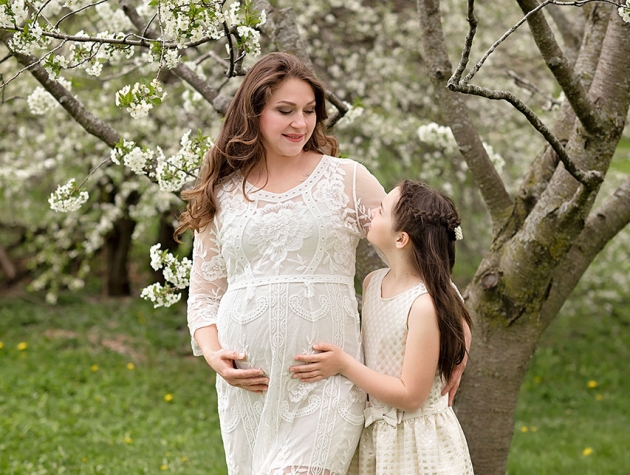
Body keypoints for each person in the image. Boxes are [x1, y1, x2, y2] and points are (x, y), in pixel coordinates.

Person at [176, 52, 387, 474]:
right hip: (248, 391)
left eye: (309, 111)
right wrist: (215, 354)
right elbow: (204, 294)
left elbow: (413, 252)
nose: (301, 124)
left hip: (327, 382)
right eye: (285, 111)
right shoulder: (223, 192)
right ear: (253, 114)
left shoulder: (346, 179)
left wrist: (447, 324)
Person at [290, 180, 474, 474]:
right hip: (380, 436)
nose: (372, 211)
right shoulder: (373, 282)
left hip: (416, 444)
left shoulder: (424, 304)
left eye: (382, 210)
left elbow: (411, 396)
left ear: (401, 238)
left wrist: (343, 365)